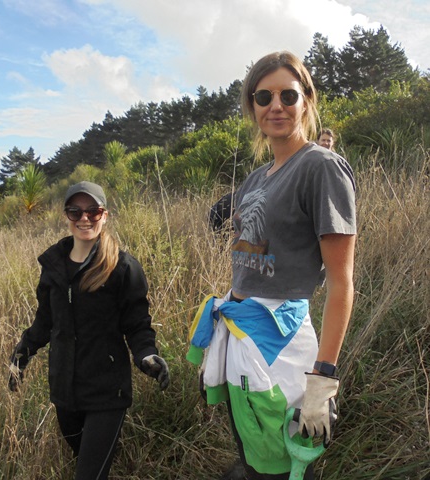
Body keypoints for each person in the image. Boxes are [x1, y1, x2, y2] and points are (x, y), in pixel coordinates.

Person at [188, 51, 356, 479]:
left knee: (283, 465)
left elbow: (341, 284)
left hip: (283, 347)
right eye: (263, 97)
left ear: (307, 100)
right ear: (252, 106)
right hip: (240, 339)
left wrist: (322, 379)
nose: (275, 105)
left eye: (288, 95)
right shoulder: (256, 178)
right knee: (252, 457)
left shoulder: (321, 168)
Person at [9, 181, 169, 480]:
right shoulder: (53, 267)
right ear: (66, 216)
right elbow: (44, 321)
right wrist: (21, 355)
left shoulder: (122, 267)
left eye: (92, 211)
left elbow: (137, 324)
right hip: (64, 391)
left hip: (107, 392)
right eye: (75, 211)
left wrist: (147, 355)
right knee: (87, 465)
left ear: (104, 215)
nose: (84, 218)